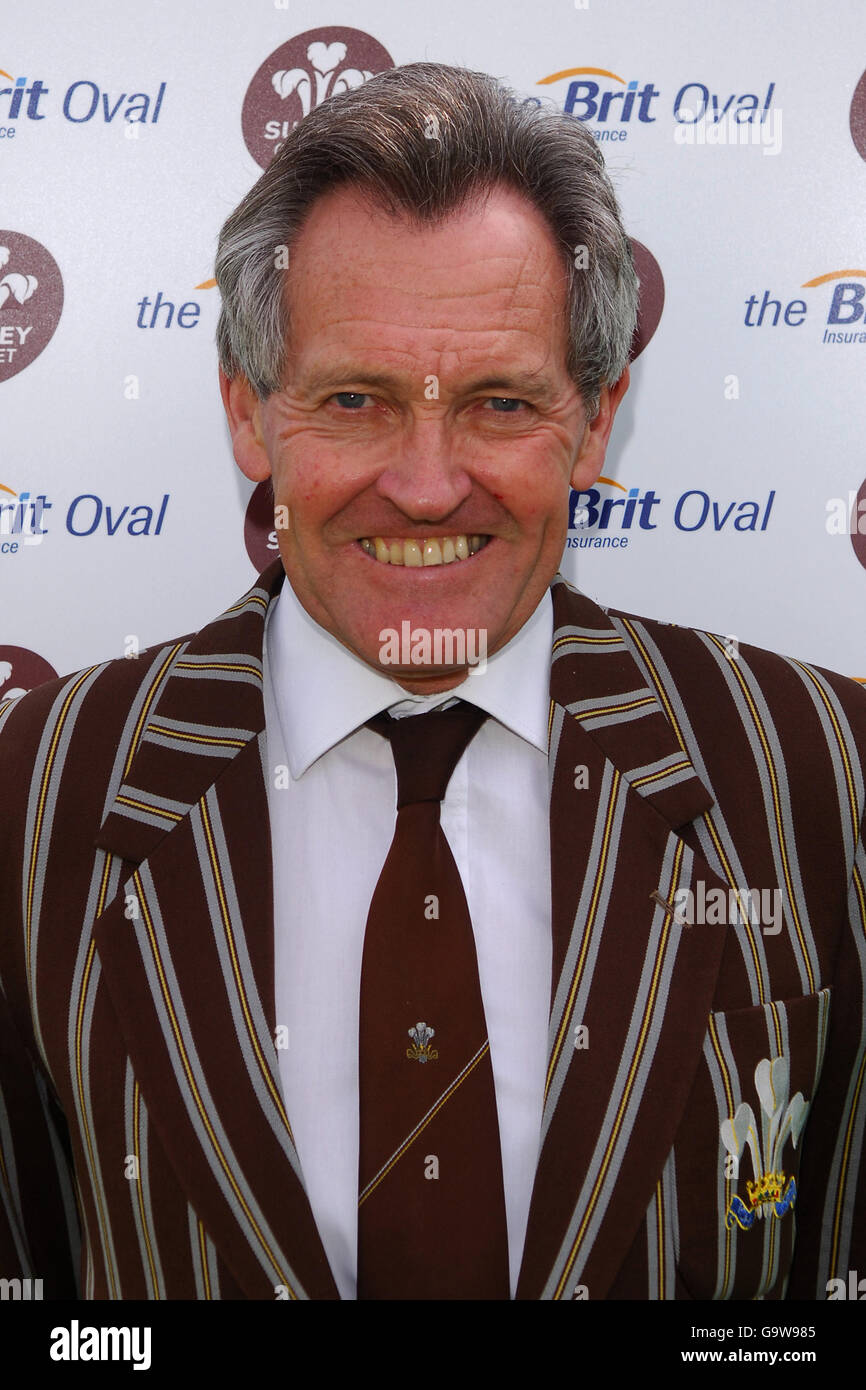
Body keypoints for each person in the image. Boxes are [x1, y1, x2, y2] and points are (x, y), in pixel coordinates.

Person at [0, 61, 864, 1303]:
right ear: (250, 413)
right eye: (351, 399)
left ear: (594, 420)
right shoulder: (42, 786)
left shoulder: (813, 767)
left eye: (498, 402)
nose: (422, 483)